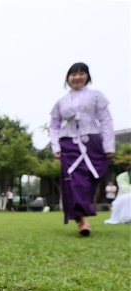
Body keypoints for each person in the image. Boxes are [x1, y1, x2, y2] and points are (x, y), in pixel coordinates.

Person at [49, 62, 114, 236]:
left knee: (90, 180)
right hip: (69, 144)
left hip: (91, 141)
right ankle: (81, 220)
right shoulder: (61, 103)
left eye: (81, 73)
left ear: (87, 76)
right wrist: (55, 146)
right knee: (73, 181)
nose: (77, 77)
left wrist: (108, 145)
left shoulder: (96, 96)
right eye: (73, 74)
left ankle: (82, 213)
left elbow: (106, 120)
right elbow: (54, 126)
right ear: (68, 78)